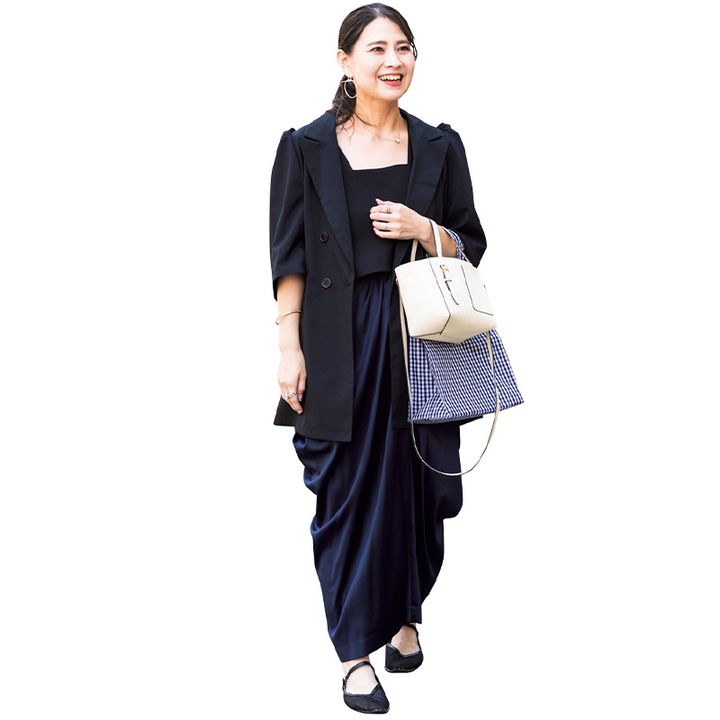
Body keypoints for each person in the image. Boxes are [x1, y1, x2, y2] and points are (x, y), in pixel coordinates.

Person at [268, 3, 487, 713]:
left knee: (420, 489)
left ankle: (403, 614)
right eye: (376, 49)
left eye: (404, 48)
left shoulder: (440, 146)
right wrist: (288, 347)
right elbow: (289, 257)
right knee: (348, 495)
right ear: (345, 61)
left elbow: (472, 246)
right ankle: (354, 655)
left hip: (422, 337)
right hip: (340, 341)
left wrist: (425, 228)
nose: (393, 61)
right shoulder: (306, 147)